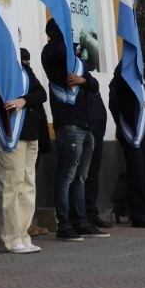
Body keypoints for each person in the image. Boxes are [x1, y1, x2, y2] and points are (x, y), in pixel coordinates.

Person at [42, 20, 108, 240]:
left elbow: (94, 85)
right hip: (68, 122)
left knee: (80, 177)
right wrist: (83, 78)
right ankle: (65, 223)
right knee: (67, 175)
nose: (71, 32)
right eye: (66, 28)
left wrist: (83, 79)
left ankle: (81, 220)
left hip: (85, 123)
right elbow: (61, 54)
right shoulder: (53, 51)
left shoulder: (75, 58)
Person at [0, 44, 47, 253]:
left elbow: (41, 93)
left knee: (28, 184)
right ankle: (11, 238)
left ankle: (23, 233)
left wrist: (24, 100)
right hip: (10, 133)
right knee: (10, 185)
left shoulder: (25, 69)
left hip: (30, 133)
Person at [109, 64, 145, 229]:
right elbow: (115, 108)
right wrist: (126, 127)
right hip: (132, 137)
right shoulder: (119, 84)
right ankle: (139, 214)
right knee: (138, 176)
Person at [80, 46, 111, 230]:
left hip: (96, 132)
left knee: (93, 176)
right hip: (83, 131)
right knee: (83, 175)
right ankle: (82, 214)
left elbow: (95, 87)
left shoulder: (88, 81)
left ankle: (92, 212)